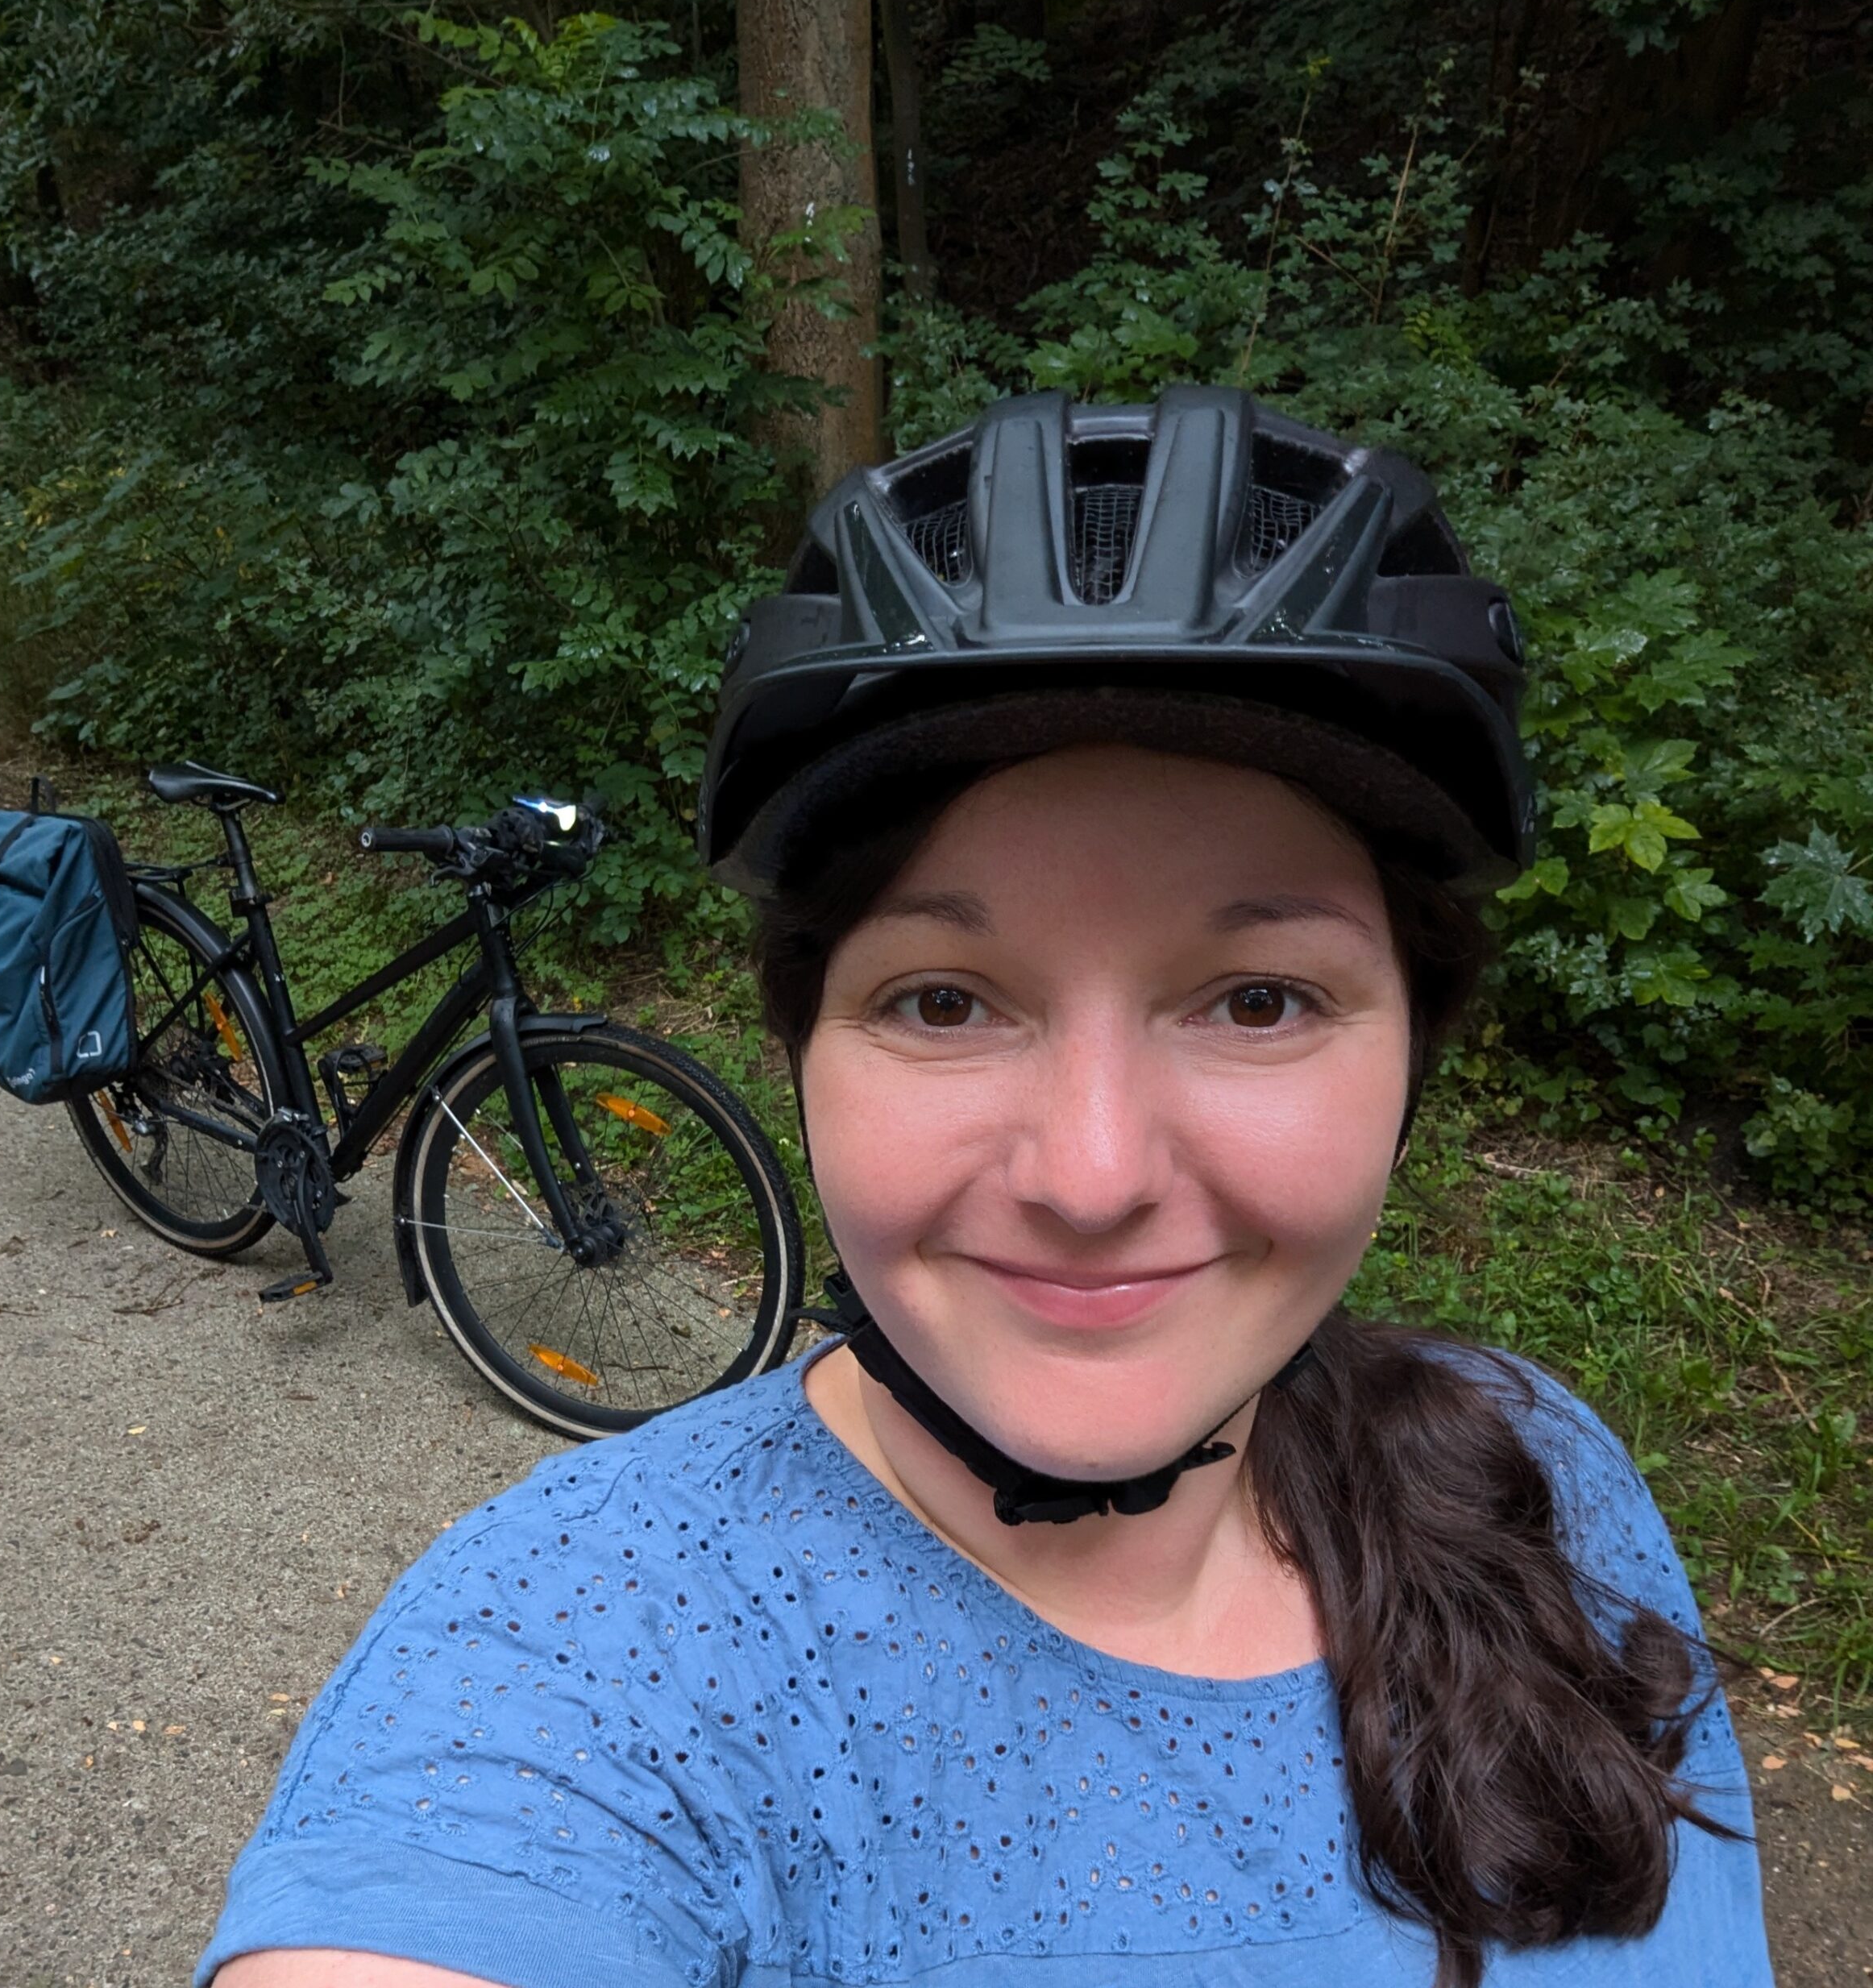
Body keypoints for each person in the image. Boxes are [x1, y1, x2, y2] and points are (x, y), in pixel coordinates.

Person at [200, 388, 1771, 1988]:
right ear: (805, 1051)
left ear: (1409, 1063)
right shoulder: (584, 1653)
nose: (1089, 1176)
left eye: (1255, 999)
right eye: (944, 999)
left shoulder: (1531, 1470)